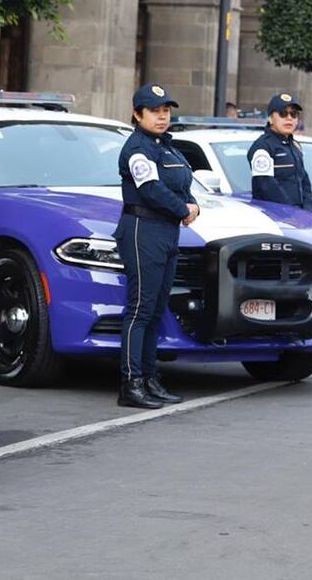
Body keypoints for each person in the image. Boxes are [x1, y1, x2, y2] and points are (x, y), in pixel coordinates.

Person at [114, 83, 199, 408]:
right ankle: (131, 384)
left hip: (166, 231)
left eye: (166, 111)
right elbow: (150, 188)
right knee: (140, 309)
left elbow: (181, 183)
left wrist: (192, 205)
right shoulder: (138, 148)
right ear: (138, 114)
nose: (163, 117)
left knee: (156, 309)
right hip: (142, 229)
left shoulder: (166, 146)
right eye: (155, 111)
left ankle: (150, 378)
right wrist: (182, 210)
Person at [247, 92, 312, 210]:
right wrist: (290, 212)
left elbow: (304, 181)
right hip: (274, 216)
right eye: (283, 113)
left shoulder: (294, 146)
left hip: (298, 216)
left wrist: (308, 209)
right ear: (270, 118)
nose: (289, 118)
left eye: (293, 114)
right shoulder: (263, 147)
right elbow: (266, 185)